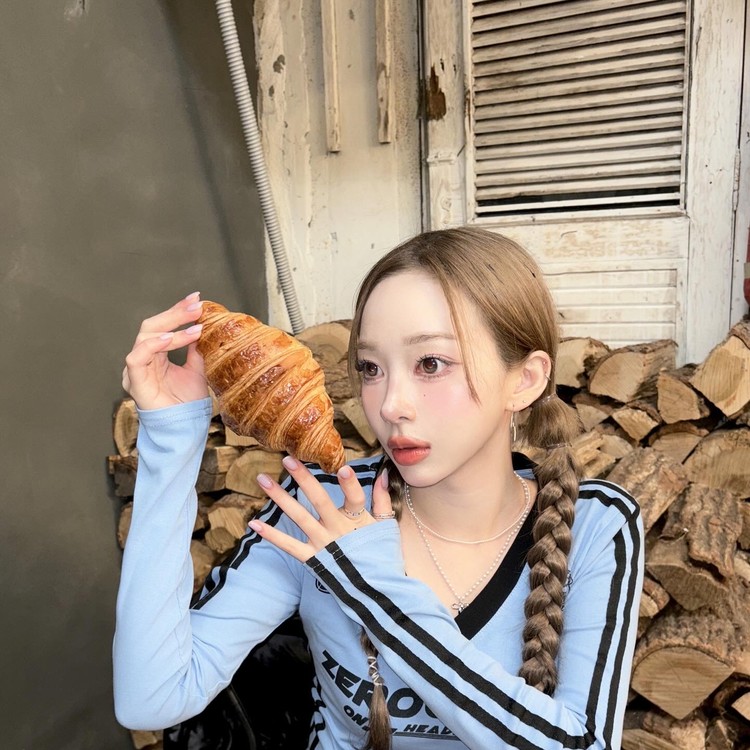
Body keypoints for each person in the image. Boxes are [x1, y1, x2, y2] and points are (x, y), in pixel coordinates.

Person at [114, 227, 644, 750]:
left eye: (431, 364)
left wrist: (377, 590)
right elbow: (153, 699)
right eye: (371, 368)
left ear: (524, 379)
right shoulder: (318, 507)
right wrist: (172, 438)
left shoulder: (595, 523)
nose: (390, 405)